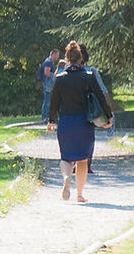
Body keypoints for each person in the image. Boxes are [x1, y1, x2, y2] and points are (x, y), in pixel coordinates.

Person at [47, 41, 115, 203]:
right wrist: (108, 116)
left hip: (66, 122)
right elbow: (100, 97)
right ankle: (79, 194)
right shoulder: (89, 76)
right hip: (84, 122)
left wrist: (51, 121)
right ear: (81, 58)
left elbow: (54, 102)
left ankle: (66, 178)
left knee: (65, 158)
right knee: (82, 159)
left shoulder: (60, 78)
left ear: (67, 60)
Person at [40, 49, 60, 122]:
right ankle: (44, 117)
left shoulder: (49, 62)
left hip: (48, 84)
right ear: (53, 54)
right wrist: (54, 77)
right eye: (57, 55)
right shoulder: (48, 62)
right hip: (48, 85)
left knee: (49, 101)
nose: (57, 57)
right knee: (47, 101)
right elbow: (46, 73)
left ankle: (46, 117)